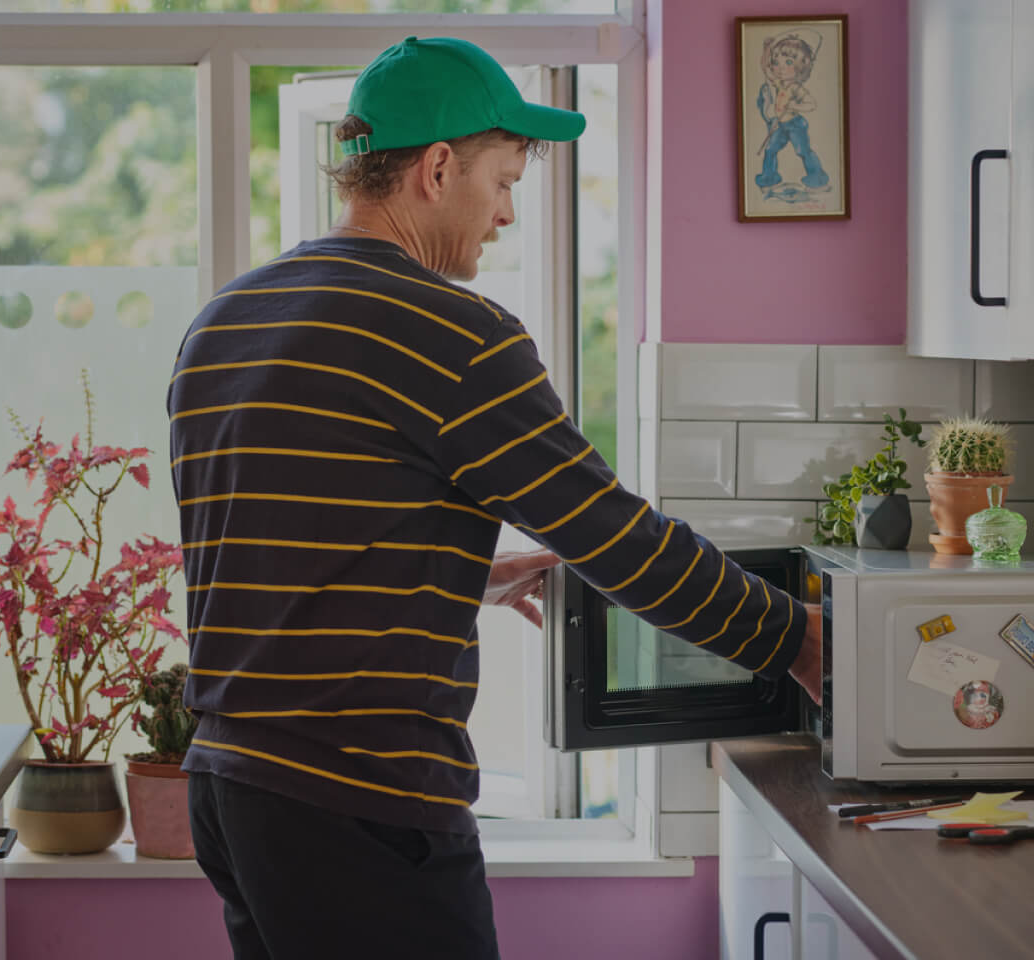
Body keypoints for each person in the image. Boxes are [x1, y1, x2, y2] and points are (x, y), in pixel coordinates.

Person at [166, 35, 823, 960]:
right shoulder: (455, 336)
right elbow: (618, 539)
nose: (508, 214)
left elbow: (269, 552)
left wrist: (458, 572)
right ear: (437, 168)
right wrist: (794, 638)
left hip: (234, 790)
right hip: (361, 802)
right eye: (504, 180)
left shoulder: (227, 320)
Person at [754, 29, 829, 191]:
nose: (779, 68)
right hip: (779, 124)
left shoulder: (796, 88)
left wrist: (794, 106)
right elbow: (764, 68)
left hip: (795, 125)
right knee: (770, 149)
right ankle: (769, 178)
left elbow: (811, 104)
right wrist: (767, 48)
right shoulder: (778, 83)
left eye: (788, 63)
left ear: (802, 67)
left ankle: (817, 177)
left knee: (803, 151)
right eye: (776, 63)